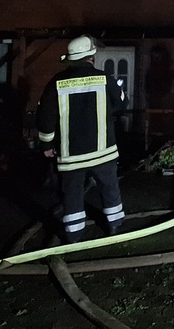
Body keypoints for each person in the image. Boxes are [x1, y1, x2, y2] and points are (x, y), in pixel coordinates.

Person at [37, 35, 129, 243]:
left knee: (72, 193)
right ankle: (115, 227)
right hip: (103, 151)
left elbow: (46, 118)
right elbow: (122, 102)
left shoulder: (56, 83)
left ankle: (74, 235)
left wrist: (47, 145)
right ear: (91, 57)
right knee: (110, 188)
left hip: (71, 156)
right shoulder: (104, 78)